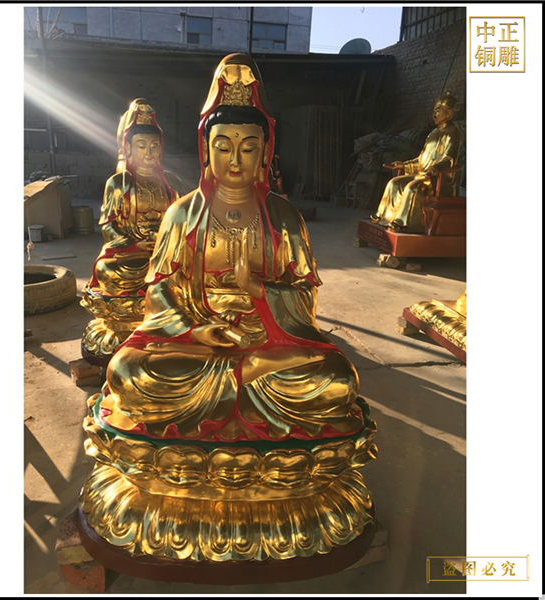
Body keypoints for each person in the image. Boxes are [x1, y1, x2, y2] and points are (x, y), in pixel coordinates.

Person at [79, 55, 377, 566]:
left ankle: (241, 389)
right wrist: (197, 331)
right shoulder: (182, 214)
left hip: (268, 345)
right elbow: (159, 294)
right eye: (223, 146)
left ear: (266, 152)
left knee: (334, 379)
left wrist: (259, 291)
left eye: (248, 146)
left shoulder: (284, 217)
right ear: (205, 149)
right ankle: (247, 396)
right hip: (195, 347)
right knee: (128, 372)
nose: (235, 160)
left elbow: (303, 300)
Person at [80, 99, 184, 362]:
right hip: (131, 256)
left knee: (186, 272)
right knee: (108, 271)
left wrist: (165, 243)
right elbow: (108, 228)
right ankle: (134, 327)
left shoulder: (170, 183)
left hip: (162, 254)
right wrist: (134, 244)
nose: (149, 153)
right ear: (127, 147)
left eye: (154, 146)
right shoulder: (119, 183)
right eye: (141, 145)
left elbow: (180, 223)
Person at [370, 93, 461, 233]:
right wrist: (403, 165)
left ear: (448, 113)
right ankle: (384, 216)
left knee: (412, 188)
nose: (434, 114)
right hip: (423, 175)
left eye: (438, 111)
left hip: (438, 179)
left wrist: (436, 168)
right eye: (434, 111)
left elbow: (449, 159)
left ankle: (403, 223)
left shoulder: (452, 133)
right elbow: (421, 160)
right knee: (394, 183)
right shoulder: (432, 134)